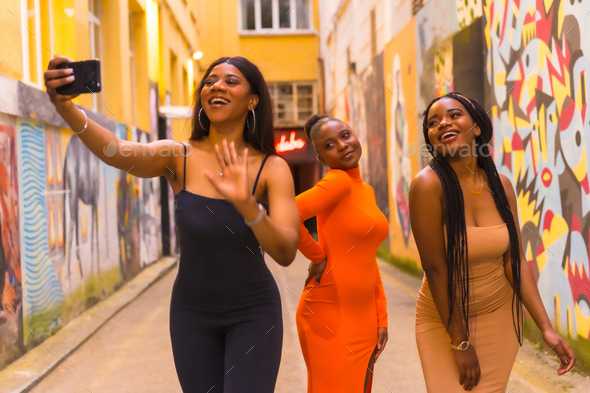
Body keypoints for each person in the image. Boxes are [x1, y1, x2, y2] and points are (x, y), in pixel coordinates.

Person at [44, 55, 299, 392]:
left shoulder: (272, 169)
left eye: (230, 81)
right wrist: (65, 109)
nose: (216, 86)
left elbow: (285, 251)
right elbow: (116, 150)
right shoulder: (176, 156)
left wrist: (247, 206)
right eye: (209, 81)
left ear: (253, 100)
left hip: (254, 315)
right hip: (192, 316)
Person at [409, 92, 576, 392]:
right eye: (433, 122)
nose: (443, 123)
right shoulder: (426, 186)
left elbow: (515, 262)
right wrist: (460, 344)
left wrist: (547, 329)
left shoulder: (501, 186)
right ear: (431, 140)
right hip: (443, 320)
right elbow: (435, 270)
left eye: (454, 115)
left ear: (477, 127)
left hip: (498, 314)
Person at [295, 114, 389, 392]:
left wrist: (380, 316)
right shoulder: (337, 182)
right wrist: (317, 255)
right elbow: (287, 213)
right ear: (322, 158)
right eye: (329, 145)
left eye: (346, 135)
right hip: (329, 314)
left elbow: (368, 258)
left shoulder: (366, 191)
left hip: (362, 316)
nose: (343, 145)